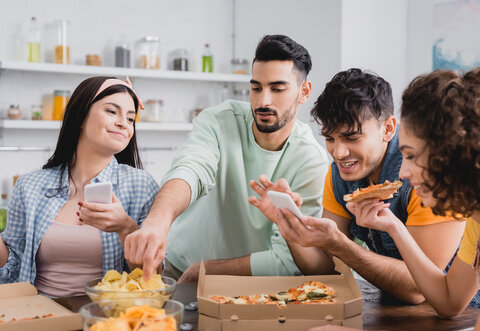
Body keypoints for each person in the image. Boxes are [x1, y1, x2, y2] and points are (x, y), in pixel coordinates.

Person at [287, 65, 480, 331]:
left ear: (457, 152)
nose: (404, 171)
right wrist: (395, 227)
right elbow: (449, 301)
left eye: (412, 156)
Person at [251, 68, 469, 304]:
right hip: (396, 317)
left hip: (461, 320)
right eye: (330, 139)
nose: (339, 152)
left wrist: (342, 246)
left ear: (387, 129)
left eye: (352, 138)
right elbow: (324, 269)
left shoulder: (425, 177)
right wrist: (291, 227)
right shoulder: (337, 176)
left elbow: (419, 290)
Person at [124, 34, 328, 281]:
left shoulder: (311, 160)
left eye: (277, 89)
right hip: (177, 268)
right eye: (256, 88)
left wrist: (206, 270)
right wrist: (156, 223)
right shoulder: (220, 120)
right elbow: (191, 167)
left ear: (304, 92)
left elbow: (286, 261)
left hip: (250, 283)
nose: (263, 101)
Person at [0, 76, 159, 297]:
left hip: (107, 319)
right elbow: (12, 268)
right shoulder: (29, 186)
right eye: (112, 111)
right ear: (81, 116)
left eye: (131, 118)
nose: (124, 123)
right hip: (39, 315)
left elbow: (152, 278)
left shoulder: (141, 186)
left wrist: (126, 228)